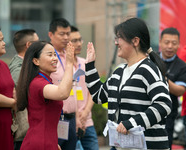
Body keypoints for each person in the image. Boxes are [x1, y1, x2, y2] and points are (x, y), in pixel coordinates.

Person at [85, 17, 172, 149]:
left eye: (119, 38)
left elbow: (164, 104)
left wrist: (131, 123)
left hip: (149, 146)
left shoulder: (148, 69)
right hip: (121, 146)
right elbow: (98, 96)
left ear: (135, 41)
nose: (116, 43)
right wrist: (90, 65)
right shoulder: (119, 71)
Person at [16, 41, 74, 150]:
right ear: (36, 61)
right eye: (50, 55)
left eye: (55, 54)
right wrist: (69, 63)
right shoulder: (38, 83)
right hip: (39, 143)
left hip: (46, 141)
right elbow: (63, 93)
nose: (55, 58)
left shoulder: (42, 81)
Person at [48, 18, 78, 149]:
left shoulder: (70, 55)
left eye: (68, 33)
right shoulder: (48, 57)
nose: (66, 37)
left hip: (72, 119)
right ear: (51, 34)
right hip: (56, 118)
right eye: (62, 34)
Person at [9, 29, 39, 150]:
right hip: (25, 131)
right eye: (38, 43)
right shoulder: (17, 68)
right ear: (29, 45)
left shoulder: (28, 65)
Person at [70, 26, 99, 150]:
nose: (78, 44)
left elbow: (93, 89)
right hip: (70, 121)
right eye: (74, 41)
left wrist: (86, 112)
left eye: (80, 40)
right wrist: (76, 117)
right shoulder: (61, 65)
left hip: (87, 120)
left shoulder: (85, 62)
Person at [159, 27, 186, 150]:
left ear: (178, 44)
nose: (170, 46)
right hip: (145, 112)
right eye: (166, 42)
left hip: (168, 115)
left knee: (165, 146)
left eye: (174, 43)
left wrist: (162, 78)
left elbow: (180, 90)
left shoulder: (182, 66)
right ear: (160, 43)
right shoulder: (150, 60)